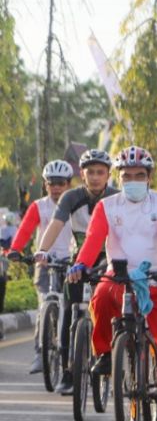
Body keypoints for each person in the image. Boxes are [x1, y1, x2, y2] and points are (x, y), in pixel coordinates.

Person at [66, 146, 157, 421]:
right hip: (120, 276)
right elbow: (93, 240)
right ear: (118, 178)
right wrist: (81, 265)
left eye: (139, 175)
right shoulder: (107, 207)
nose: (133, 180)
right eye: (127, 176)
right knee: (99, 298)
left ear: (149, 176)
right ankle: (105, 354)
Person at [34, 148, 119, 395]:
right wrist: (42, 250)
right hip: (79, 260)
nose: (95, 177)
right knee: (69, 311)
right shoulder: (71, 198)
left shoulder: (116, 197)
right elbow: (55, 225)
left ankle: (117, 358)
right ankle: (68, 371)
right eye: (90, 172)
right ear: (82, 174)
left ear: (108, 175)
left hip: (109, 260)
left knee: (110, 305)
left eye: (100, 172)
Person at [8, 160, 75, 375]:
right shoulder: (39, 206)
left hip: (71, 264)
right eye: (51, 183)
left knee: (71, 309)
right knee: (43, 306)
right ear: (45, 185)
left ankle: (72, 352)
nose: (56, 188)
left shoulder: (76, 204)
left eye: (61, 183)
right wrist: (15, 250)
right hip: (44, 263)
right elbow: (26, 229)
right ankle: (40, 352)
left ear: (68, 184)